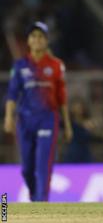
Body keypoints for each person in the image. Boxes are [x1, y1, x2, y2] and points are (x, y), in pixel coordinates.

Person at [3, 22, 73, 201]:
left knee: (43, 165)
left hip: (48, 118)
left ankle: (42, 204)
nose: (37, 40)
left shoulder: (56, 65)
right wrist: (8, 117)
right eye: (33, 36)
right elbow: (12, 94)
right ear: (28, 41)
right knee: (27, 168)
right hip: (25, 120)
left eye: (41, 36)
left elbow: (62, 98)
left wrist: (67, 125)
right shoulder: (20, 65)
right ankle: (35, 197)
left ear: (47, 41)